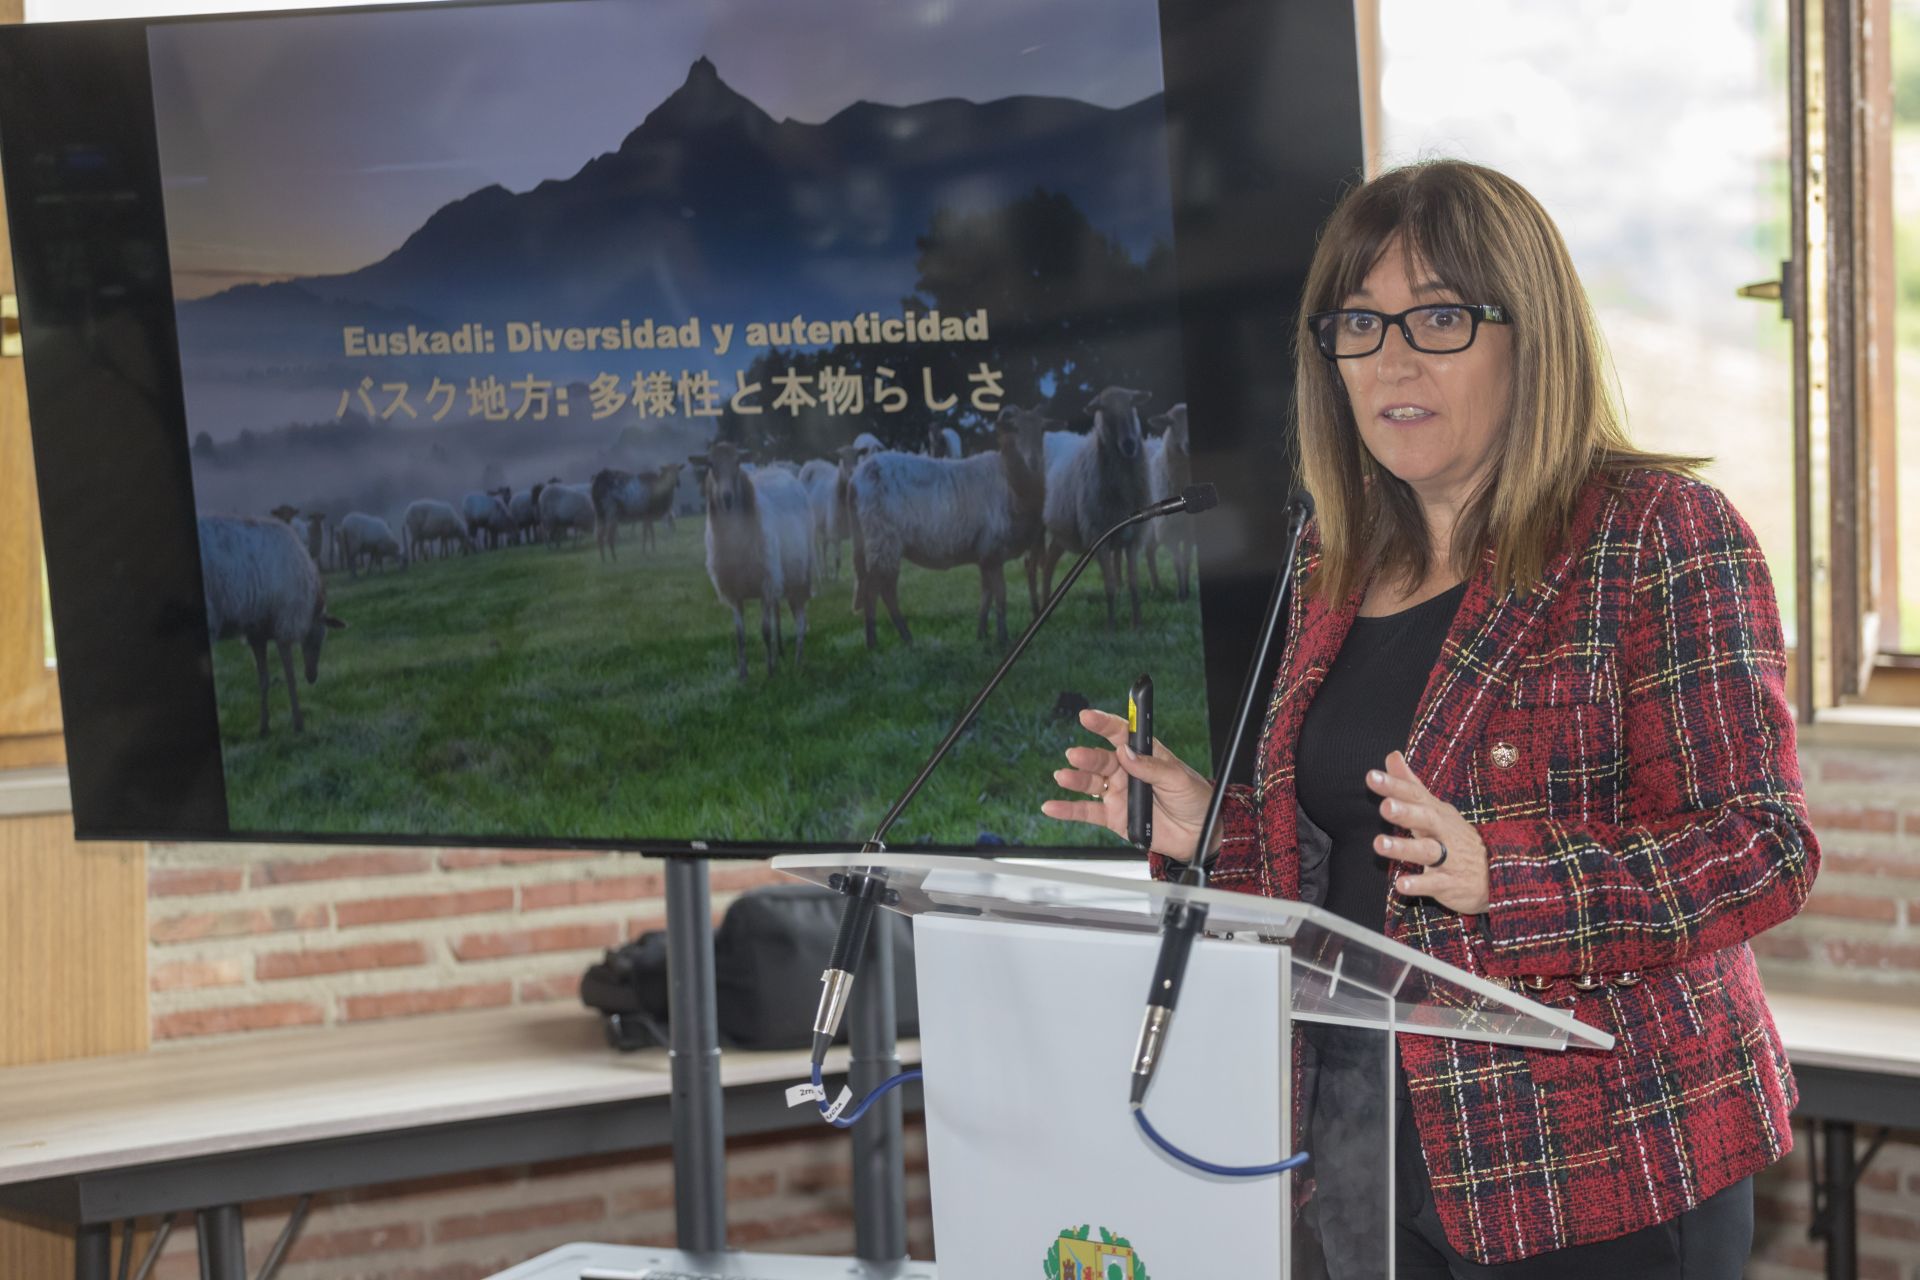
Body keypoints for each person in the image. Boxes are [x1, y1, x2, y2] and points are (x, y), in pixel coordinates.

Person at [1041, 159, 1818, 1278]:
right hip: (1361, 1143)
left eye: (1439, 318)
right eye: (1360, 323)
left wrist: (1506, 877)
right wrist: (1211, 829)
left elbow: (1762, 847)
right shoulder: (1332, 557)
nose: (1392, 360)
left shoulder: (1658, 532)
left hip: (1598, 1164)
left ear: (1530, 336)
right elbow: (1348, 868)